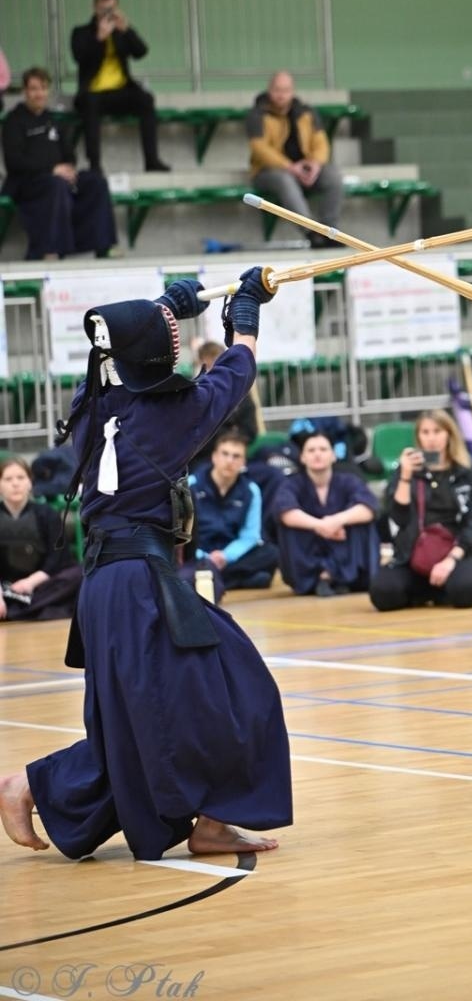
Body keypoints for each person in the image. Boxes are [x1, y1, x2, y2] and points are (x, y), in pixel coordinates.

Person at [0, 271, 292, 857]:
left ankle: (202, 820)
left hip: (106, 588)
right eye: (170, 333)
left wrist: (165, 307)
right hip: (139, 583)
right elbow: (237, 371)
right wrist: (248, 313)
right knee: (242, 689)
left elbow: (113, 350)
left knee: (142, 719)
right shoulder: (173, 415)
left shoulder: (91, 407)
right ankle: (32, 784)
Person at [369, 409, 472, 612]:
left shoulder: (465, 475)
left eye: (437, 431)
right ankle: (430, 590)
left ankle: (431, 590)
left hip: (453, 554)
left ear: (449, 434)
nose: (431, 439)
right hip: (411, 554)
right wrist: (405, 475)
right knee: (382, 594)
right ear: (418, 436)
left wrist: (450, 560)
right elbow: (398, 518)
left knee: (466, 592)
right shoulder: (406, 473)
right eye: (425, 432)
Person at [1, 67, 117, 260]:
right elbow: (14, 162)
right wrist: (52, 169)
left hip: (58, 179)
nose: (39, 94)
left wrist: (69, 169)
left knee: (95, 181)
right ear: (25, 92)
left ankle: (103, 245)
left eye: (43, 88)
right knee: (56, 185)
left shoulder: (52, 120)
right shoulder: (14, 121)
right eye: (34, 89)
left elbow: (69, 154)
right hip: (27, 183)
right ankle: (50, 250)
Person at [71, 0, 169, 173]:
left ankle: (152, 161)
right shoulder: (81, 32)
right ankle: (95, 165)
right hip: (92, 92)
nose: (107, 13)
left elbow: (141, 52)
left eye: (111, 9)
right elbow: (79, 56)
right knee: (90, 105)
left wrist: (127, 30)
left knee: (146, 99)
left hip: (120, 90)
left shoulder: (121, 32)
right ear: (95, 7)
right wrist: (99, 38)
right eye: (103, 9)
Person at [273, 431, 379, 596]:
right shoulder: (291, 484)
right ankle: (320, 577)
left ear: (333, 456)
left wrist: (336, 520)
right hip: (309, 558)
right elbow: (285, 512)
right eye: (311, 450)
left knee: (361, 520)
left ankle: (337, 576)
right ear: (302, 457)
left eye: (323, 449)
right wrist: (321, 526)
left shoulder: (349, 480)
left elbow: (369, 509)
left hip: (346, 553)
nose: (317, 454)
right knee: (290, 524)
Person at [246, 70, 343, 246]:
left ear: (292, 91)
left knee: (333, 175)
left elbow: (321, 142)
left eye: (286, 90)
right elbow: (260, 149)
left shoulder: (307, 113)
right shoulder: (257, 115)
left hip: (304, 167)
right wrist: (289, 166)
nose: (281, 95)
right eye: (277, 90)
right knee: (284, 179)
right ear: (269, 90)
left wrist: (315, 164)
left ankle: (330, 231)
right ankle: (312, 232)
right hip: (267, 172)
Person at [189, 431, 279, 591]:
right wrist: (205, 557)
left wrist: (226, 556)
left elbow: (251, 535)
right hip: (198, 553)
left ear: (243, 462)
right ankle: (237, 579)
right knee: (176, 560)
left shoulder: (251, 491)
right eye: (225, 454)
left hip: (231, 555)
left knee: (271, 553)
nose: (229, 461)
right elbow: (182, 534)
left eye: (236, 456)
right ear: (214, 456)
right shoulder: (192, 485)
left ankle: (212, 578)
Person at [0, 457, 82, 622]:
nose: (15, 483)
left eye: (21, 478)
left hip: (40, 586)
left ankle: (14, 612)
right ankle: (30, 610)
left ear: (30, 482)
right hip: (5, 586)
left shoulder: (47, 514)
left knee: (79, 575)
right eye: (8, 479)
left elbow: (57, 558)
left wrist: (30, 583)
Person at [188, 338, 261, 467]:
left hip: (234, 458)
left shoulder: (241, 393)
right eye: (210, 364)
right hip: (202, 459)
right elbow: (194, 433)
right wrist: (230, 429)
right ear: (201, 363)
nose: (215, 371)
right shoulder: (193, 393)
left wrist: (219, 432)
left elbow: (250, 431)